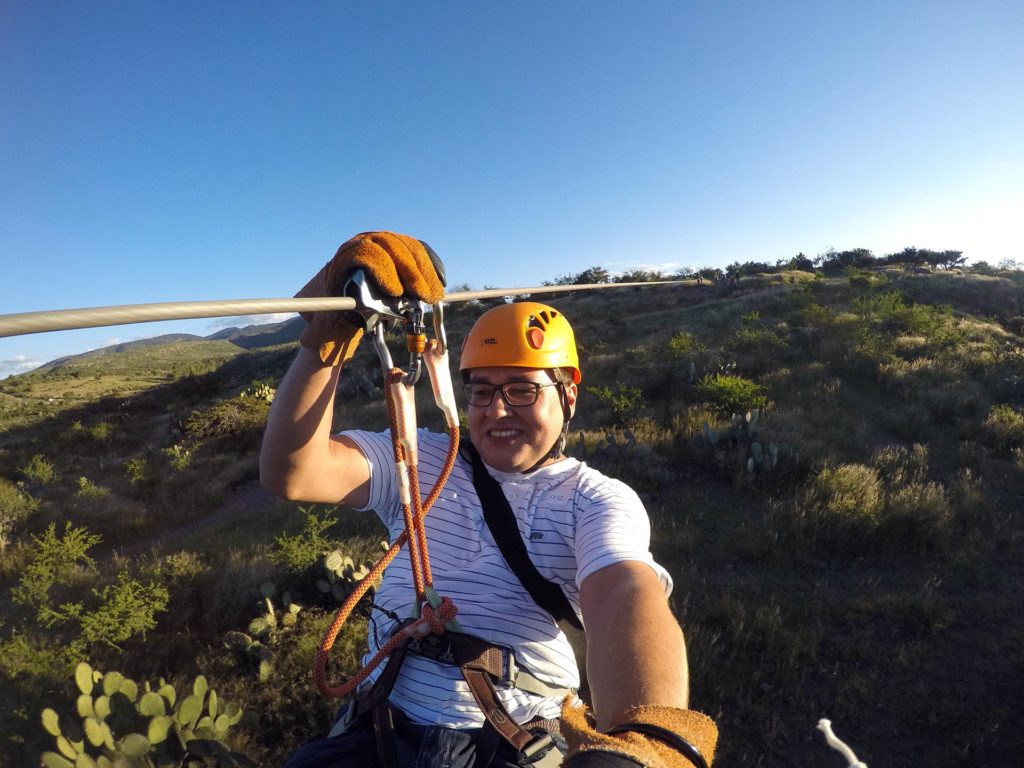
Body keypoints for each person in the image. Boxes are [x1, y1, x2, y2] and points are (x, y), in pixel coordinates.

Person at [260, 232, 718, 767]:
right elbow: (294, 473)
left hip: (504, 744)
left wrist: (643, 740)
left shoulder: (591, 499)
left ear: (567, 393)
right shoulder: (418, 460)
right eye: (481, 391)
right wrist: (328, 337)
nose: (497, 412)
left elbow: (623, 593)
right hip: (379, 731)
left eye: (522, 390)